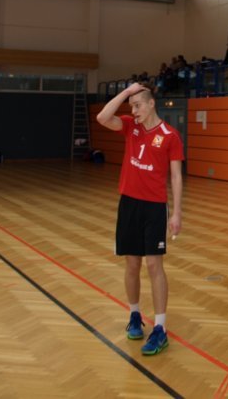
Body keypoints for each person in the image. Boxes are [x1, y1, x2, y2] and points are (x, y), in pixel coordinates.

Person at [96, 83, 184, 356]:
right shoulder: (130, 127)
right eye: (131, 107)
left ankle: (160, 328)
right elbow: (102, 117)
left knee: (154, 265)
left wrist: (177, 212)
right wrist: (126, 93)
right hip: (129, 204)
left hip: (155, 207)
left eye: (137, 106)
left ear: (151, 104)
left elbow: (176, 176)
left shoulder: (170, 135)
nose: (133, 111)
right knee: (132, 264)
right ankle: (134, 315)